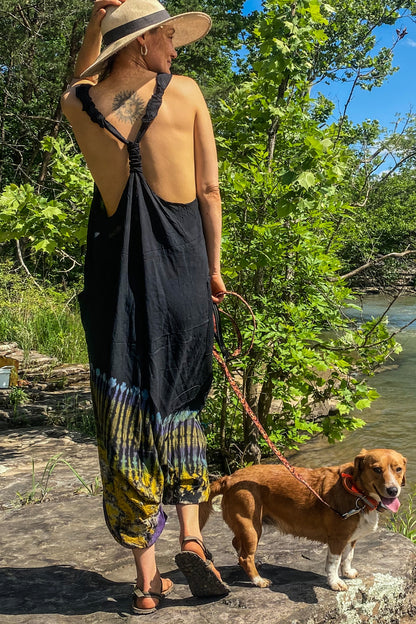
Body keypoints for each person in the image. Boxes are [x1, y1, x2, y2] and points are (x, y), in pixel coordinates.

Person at [61, 0, 228, 614]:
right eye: (166, 38)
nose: (175, 50)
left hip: (115, 291)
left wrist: (93, 29)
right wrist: (212, 271)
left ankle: (145, 579)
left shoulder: (82, 108)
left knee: (124, 420)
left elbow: (79, 82)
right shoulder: (184, 94)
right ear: (138, 47)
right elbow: (209, 190)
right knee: (180, 403)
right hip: (182, 275)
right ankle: (191, 536)